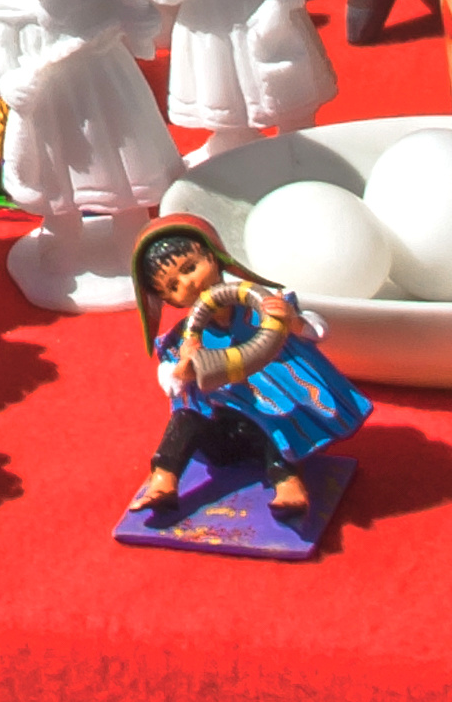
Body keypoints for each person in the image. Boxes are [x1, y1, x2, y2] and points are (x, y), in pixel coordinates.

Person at [127, 216, 369, 524]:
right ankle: (163, 479)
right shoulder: (181, 340)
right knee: (187, 416)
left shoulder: (265, 305)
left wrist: (293, 322)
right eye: (173, 286)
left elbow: (318, 330)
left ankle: (287, 483)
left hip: (276, 425)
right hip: (223, 436)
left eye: (190, 268)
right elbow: (170, 383)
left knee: (272, 414)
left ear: (212, 258)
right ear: (166, 300)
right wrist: (184, 369)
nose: (188, 284)